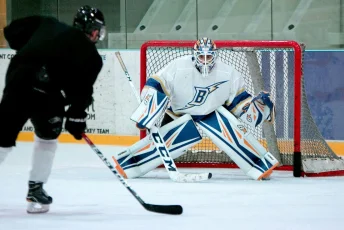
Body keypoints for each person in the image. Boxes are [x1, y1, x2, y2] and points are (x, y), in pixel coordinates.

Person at [113, 37, 279, 181]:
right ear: (194, 55)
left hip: (211, 113)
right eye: (201, 55)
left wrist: (255, 109)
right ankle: (131, 163)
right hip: (179, 113)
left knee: (232, 132)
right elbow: (157, 83)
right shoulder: (178, 66)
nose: (205, 60)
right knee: (162, 143)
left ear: (216, 55)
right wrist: (148, 107)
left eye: (209, 56)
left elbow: (238, 103)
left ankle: (258, 164)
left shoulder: (228, 73)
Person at [0, 5, 105, 213]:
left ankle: (36, 189)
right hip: (47, 96)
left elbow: (11, 31)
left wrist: (31, 50)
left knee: (1, 137)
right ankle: (36, 190)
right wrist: (76, 118)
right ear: (94, 31)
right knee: (47, 139)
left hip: (18, 83)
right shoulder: (92, 56)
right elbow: (81, 93)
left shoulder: (48, 23)